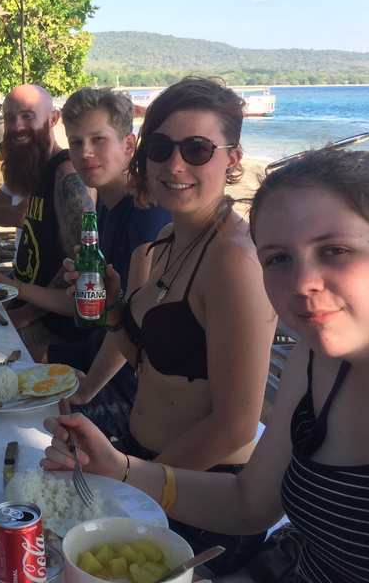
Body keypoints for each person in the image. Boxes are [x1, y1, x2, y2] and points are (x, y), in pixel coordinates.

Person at [43, 146, 369, 582]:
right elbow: (250, 503)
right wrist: (121, 468)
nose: (302, 284)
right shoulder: (313, 356)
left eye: (334, 250)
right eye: (277, 258)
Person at [54, 77, 276, 574]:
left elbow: (236, 422)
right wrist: (115, 310)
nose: (175, 165)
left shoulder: (235, 263)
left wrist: (132, 481)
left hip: (200, 498)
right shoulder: (169, 241)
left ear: (233, 159)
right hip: (146, 466)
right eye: (161, 147)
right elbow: (155, 358)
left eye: (198, 149)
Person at [0, 88, 170, 435]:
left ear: (128, 145)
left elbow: (134, 327)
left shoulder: (146, 215)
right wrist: (12, 286)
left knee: (6, 417)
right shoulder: (105, 209)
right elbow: (83, 301)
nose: (85, 153)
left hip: (129, 386)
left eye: (98, 139)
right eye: (76, 142)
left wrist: (89, 387)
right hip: (92, 349)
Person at [0, 84, 97, 361]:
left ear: (53, 119)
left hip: (54, 327)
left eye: (28, 116)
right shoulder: (35, 169)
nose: (17, 127)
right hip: (23, 304)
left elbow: (82, 264)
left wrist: (26, 314)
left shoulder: (68, 175)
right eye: (11, 118)